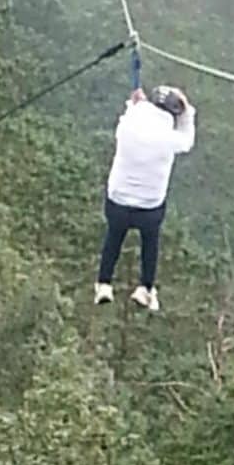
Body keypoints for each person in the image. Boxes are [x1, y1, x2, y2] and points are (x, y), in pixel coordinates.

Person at [94, 82, 195, 314]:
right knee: (150, 242)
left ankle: (104, 283)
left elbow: (129, 114)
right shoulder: (170, 138)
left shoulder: (129, 124)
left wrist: (134, 104)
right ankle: (145, 287)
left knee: (114, 237)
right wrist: (187, 110)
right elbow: (187, 140)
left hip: (118, 200)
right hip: (149, 206)